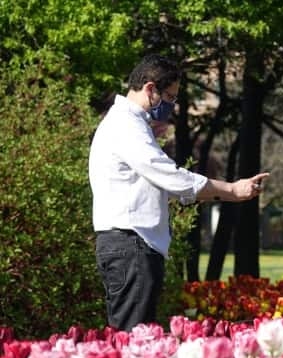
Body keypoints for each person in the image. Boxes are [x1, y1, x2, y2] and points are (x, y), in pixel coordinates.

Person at [89, 54, 269, 331]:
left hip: (129, 243)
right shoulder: (126, 126)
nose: (172, 105)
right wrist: (232, 190)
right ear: (150, 89)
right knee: (132, 339)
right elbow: (172, 178)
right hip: (131, 244)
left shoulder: (128, 123)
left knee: (133, 335)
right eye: (170, 97)